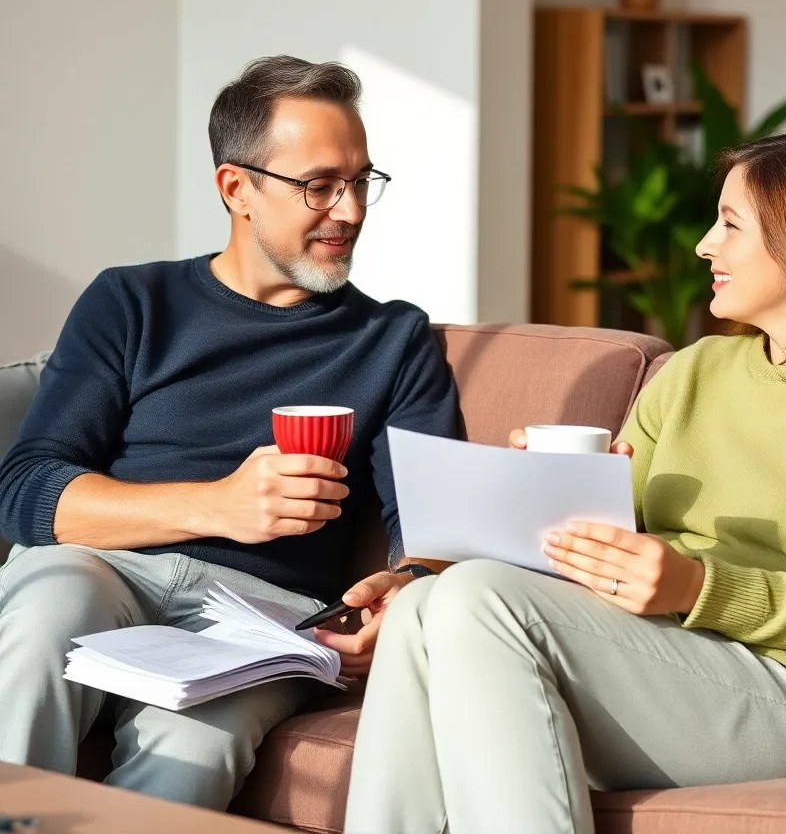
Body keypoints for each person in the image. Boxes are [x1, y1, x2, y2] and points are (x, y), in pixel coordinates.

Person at [342, 131, 786, 834]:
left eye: (730, 224)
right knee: (424, 604)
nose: (704, 245)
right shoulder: (695, 370)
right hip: (643, 657)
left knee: (478, 599)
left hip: (782, 691)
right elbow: (598, 548)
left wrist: (694, 585)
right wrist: (542, 494)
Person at [0, 55, 456, 808]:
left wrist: (401, 595)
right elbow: (24, 492)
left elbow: (432, 532)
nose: (349, 210)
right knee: (49, 609)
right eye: (319, 185)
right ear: (236, 188)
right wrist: (218, 505)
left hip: (263, 619)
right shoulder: (132, 301)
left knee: (195, 750)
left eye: (360, 181)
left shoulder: (392, 339)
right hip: (106, 567)